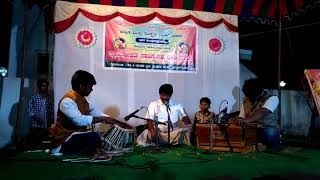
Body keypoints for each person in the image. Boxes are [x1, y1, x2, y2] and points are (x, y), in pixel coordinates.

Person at [51, 70, 129, 156]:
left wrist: (119, 123)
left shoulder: (84, 101)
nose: (91, 89)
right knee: (94, 136)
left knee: (102, 134)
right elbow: (79, 121)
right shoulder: (67, 101)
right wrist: (104, 119)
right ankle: (92, 150)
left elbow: (99, 114)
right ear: (81, 86)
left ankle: (91, 150)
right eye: (90, 87)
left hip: (77, 137)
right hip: (64, 141)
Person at [232, 78, 280, 151]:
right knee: (235, 130)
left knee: (270, 133)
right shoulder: (246, 98)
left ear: (259, 93)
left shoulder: (272, 98)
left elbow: (263, 112)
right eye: (247, 95)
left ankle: (262, 144)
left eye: (250, 96)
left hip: (266, 128)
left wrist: (245, 120)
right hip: (251, 129)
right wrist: (236, 120)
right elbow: (241, 116)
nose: (248, 98)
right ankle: (258, 144)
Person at [26, 79, 53, 148]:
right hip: (36, 125)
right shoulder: (34, 97)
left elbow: (51, 109)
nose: (45, 87)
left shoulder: (48, 98)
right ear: (39, 87)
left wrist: (50, 116)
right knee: (33, 143)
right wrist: (36, 118)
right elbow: (29, 110)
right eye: (43, 86)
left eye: (46, 86)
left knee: (42, 145)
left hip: (45, 125)